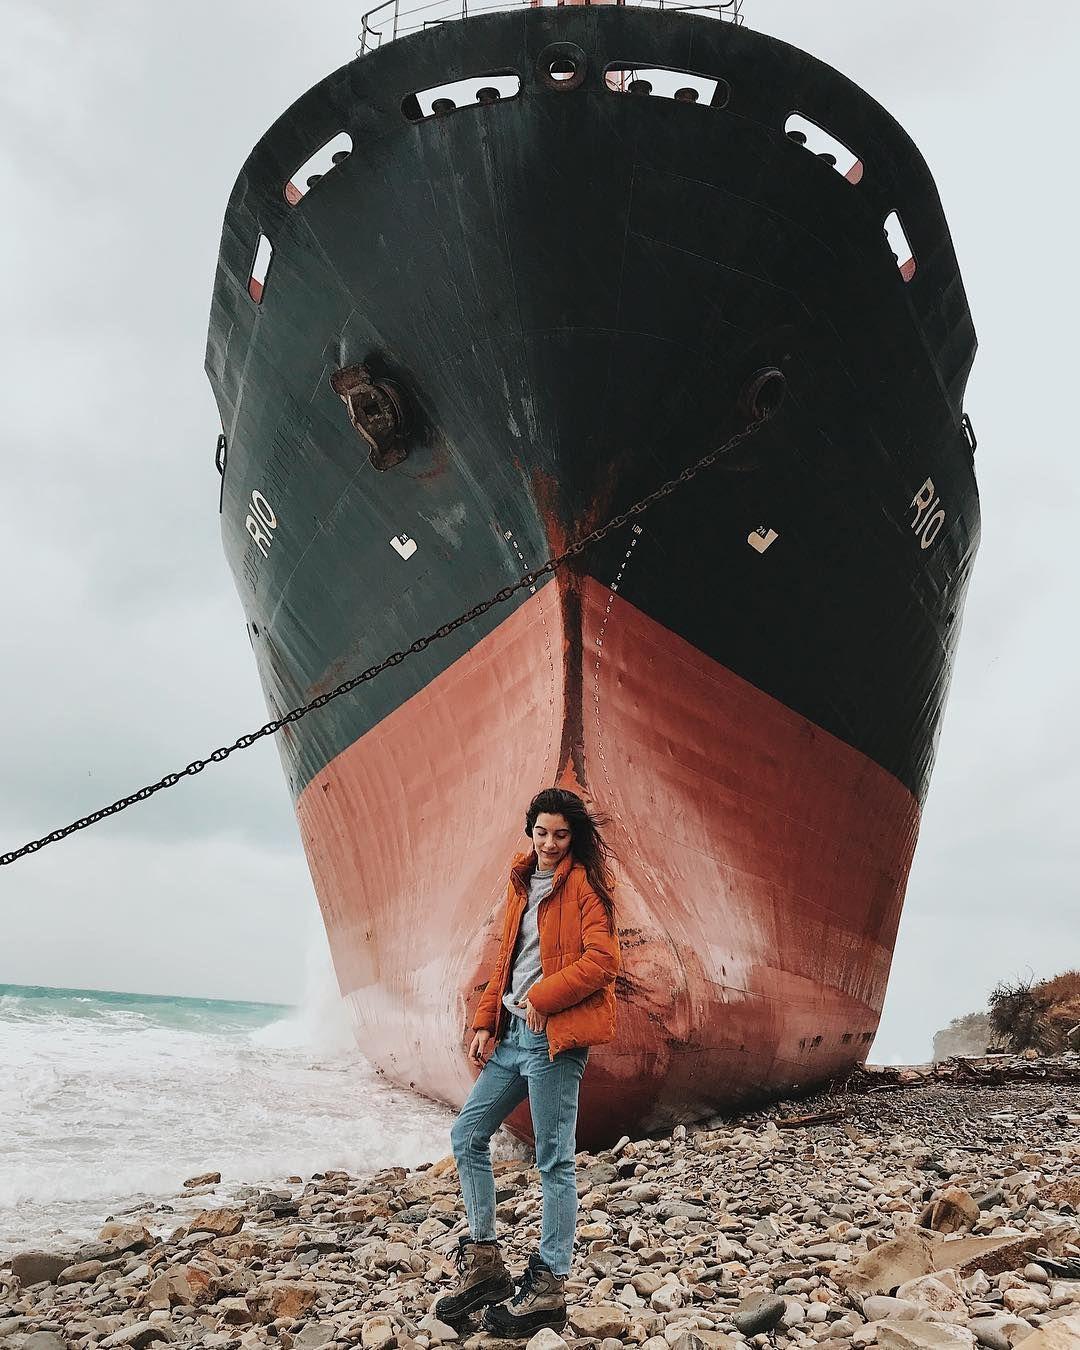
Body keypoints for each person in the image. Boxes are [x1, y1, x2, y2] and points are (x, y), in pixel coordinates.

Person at [434, 787, 621, 1337]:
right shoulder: (521, 881)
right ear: (529, 831)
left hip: (553, 1041)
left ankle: (549, 1286)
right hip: (513, 1037)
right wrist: (485, 1021)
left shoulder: (586, 885)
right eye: (541, 832)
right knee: (467, 1134)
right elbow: (506, 959)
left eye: (560, 834)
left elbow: (603, 960)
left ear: (573, 836)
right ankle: (485, 1263)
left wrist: (542, 997)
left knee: (554, 1160)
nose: (549, 843)